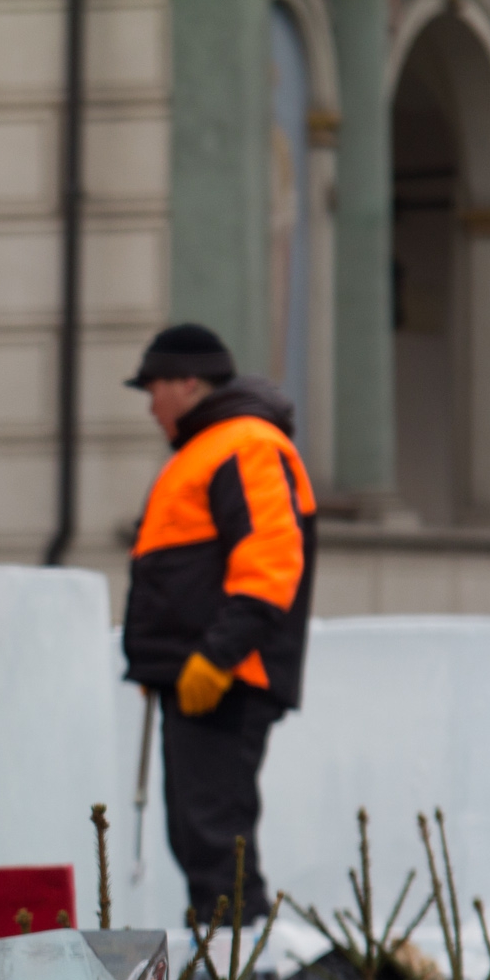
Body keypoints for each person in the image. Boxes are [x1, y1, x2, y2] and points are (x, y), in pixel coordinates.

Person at [122, 324, 314, 923]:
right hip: (201, 678)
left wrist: (218, 655)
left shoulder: (244, 444)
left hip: (224, 679)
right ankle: (226, 979)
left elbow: (270, 563)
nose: (150, 404)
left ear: (187, 383)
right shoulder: (213, 449)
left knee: (216, 843)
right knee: (202, 840)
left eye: (153, 387)